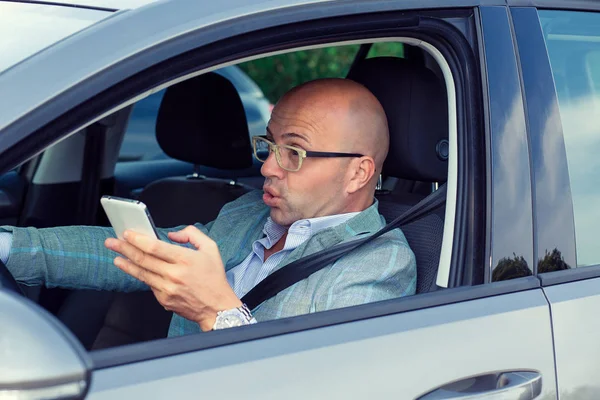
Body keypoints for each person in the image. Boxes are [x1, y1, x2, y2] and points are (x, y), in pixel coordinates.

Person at [0, 78, 416, 337]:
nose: (268, 166)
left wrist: (217, 312)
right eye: (269, 144)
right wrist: (8, 246)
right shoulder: (247, 213)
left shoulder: (379, 262)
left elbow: (325, 384)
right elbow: (128, 252)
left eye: (294, 151)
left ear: (358, 174)